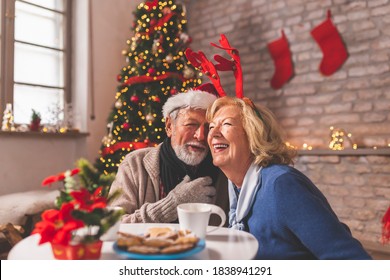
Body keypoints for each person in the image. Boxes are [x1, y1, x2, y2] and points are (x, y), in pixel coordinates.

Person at [206, 96, 372, 259]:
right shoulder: (236, 187)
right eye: (211, 127)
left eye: (226, 124)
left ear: (254, 135)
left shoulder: (281, 184)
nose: (213, 133)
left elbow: (347, 257)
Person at [108, 89, 229, 226]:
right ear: (169, 126)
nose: (201, 136)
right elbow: (112, 225)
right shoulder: (134, 164)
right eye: (191, 125)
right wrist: (171, 205)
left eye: (208, 127)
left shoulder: (224, 169)